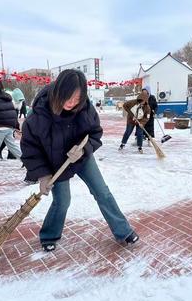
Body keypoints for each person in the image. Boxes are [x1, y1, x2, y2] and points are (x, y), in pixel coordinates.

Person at [21, 69, 139, 252]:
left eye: (77, 99)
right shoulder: (38, 115)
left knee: (102, 192)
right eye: (69, 98)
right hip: (55, 163)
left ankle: (123, 231)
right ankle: (49, 235)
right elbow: (30, 149)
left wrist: (84, 149)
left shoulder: (84, 107)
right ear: (59, 91)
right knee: (62, 201)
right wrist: (43, 174)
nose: (72, 103)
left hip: (81, 157)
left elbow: (95, 133)